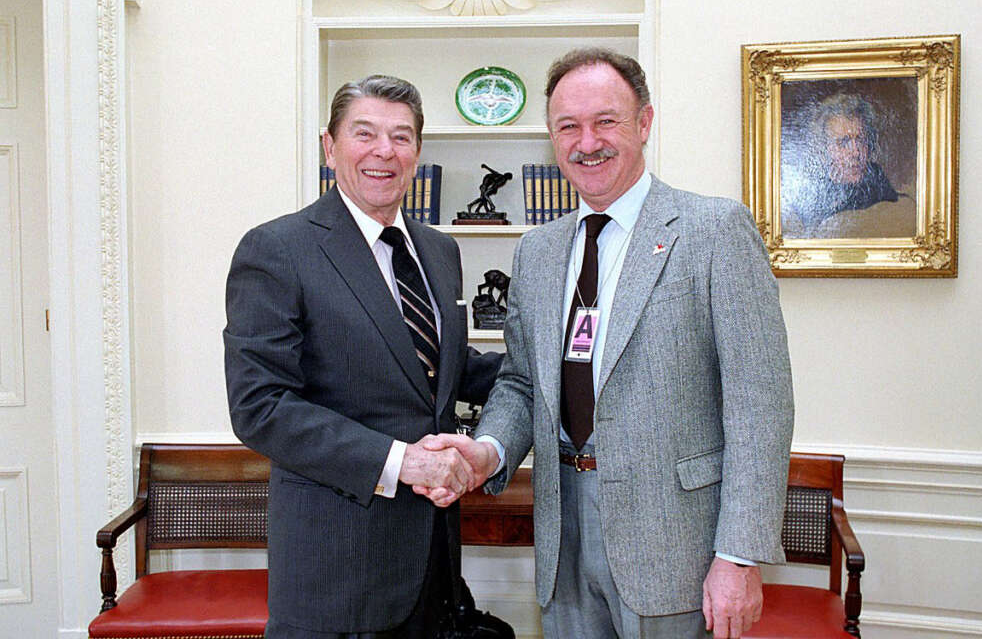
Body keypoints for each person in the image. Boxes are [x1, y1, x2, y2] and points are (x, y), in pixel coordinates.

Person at [418, 49, 795, 639]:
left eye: (605, 121)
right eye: (568, 126)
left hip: (677, 546)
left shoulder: (714, 231)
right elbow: (521, 382)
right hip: (562, 530)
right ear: (551, 137)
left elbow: (760, 405)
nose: (586, 141)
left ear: (644, 123)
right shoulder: (537, 252)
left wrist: (739, 557)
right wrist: (489, 450)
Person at [223, 74, 502, 639]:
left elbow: (442, 370)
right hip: (337, 574)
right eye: (365, 133)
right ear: (330, 146)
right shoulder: (277, 249)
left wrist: (569, 365)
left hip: (434, 569)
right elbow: (261, 406)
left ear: (418, 153)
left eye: (401, 137)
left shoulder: (439, 250)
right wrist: (403, 462)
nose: (384, 151)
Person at [782, 92, 915, 238]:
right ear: (824, 148)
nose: (856, 152)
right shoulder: (808, 193)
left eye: (861, 140)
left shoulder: (878, 183)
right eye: (844, 142)